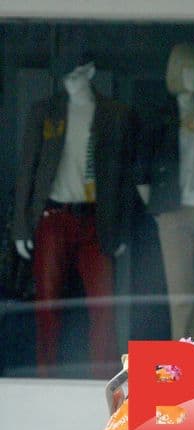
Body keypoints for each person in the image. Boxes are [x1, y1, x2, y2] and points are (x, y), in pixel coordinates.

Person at [13, 59, 136, 378]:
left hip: (96, 220)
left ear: (90, 72)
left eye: (76, 73)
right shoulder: (46, 111)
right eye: (65, 74)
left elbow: (123, 177)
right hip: (53, 215)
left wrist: (120, 230)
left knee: (103, 306)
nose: (69, 80)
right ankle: (45, 378)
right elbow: (28, 168)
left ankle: (104, 381)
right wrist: (21, 226)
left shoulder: (113, 114)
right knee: (47, 305)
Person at [137, 43, 194, 344]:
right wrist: (158, 208)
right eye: (186, 70)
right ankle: (184, 359)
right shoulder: (159, 118)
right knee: (181, 295)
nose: (192, 76)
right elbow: (142, 170)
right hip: (174, 212)